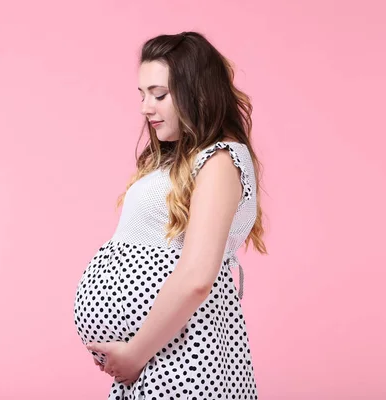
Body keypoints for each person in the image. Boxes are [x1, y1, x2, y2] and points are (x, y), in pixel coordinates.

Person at [73, 31, 267, 400]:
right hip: (159, 354)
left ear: (199, 93)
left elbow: (196, 276)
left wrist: (134, 352)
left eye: (159, 94)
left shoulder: (220, 160)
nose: (146, 107)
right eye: (143, 94)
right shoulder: (178, 159)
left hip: (185, 353)